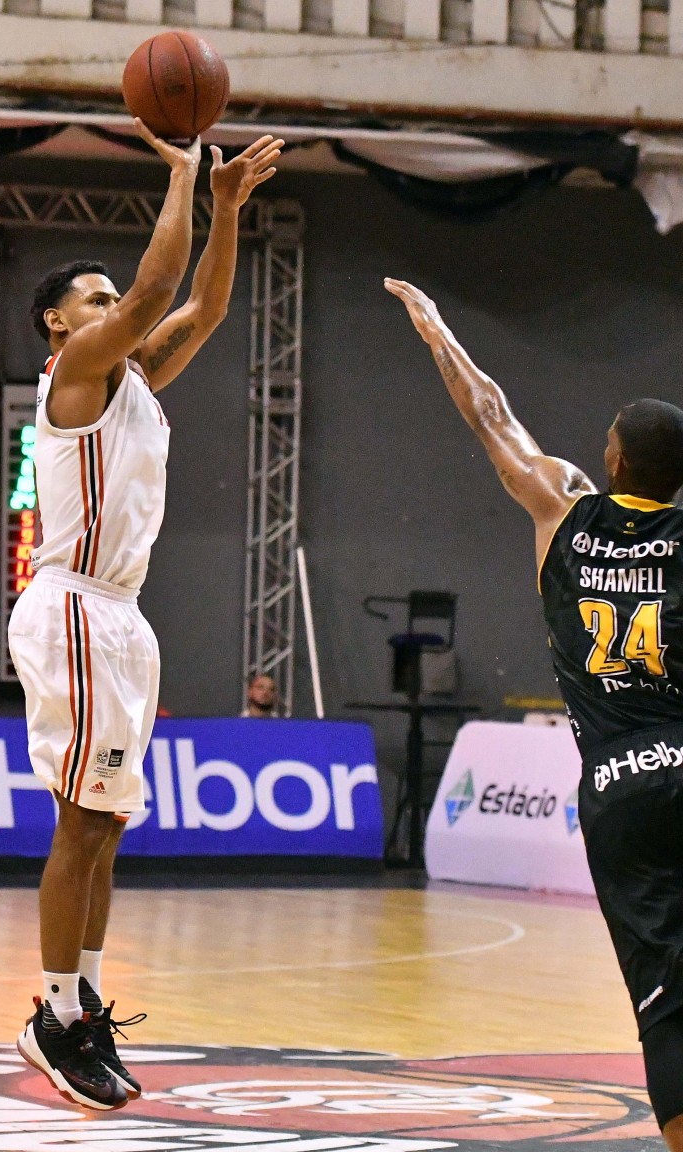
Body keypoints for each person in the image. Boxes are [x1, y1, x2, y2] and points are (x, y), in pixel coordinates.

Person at [9, 120, 283, 1112]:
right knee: (81, 821)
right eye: (95, 298)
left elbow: (204, 305)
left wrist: (225, 210)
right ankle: (54, 1015)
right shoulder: (78, 373)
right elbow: (156, 292)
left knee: (109, 824)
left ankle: (82, 999)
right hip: (74, 607)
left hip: (122, 615)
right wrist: (184, 174)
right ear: (58, 324)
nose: (111, 304)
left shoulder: (134, 381)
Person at [385, 276, 683, 1152]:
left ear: (613, 463)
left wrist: (438, 332)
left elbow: (492, 415)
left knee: (667, 999)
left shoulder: (562, 508)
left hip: (622, 786)